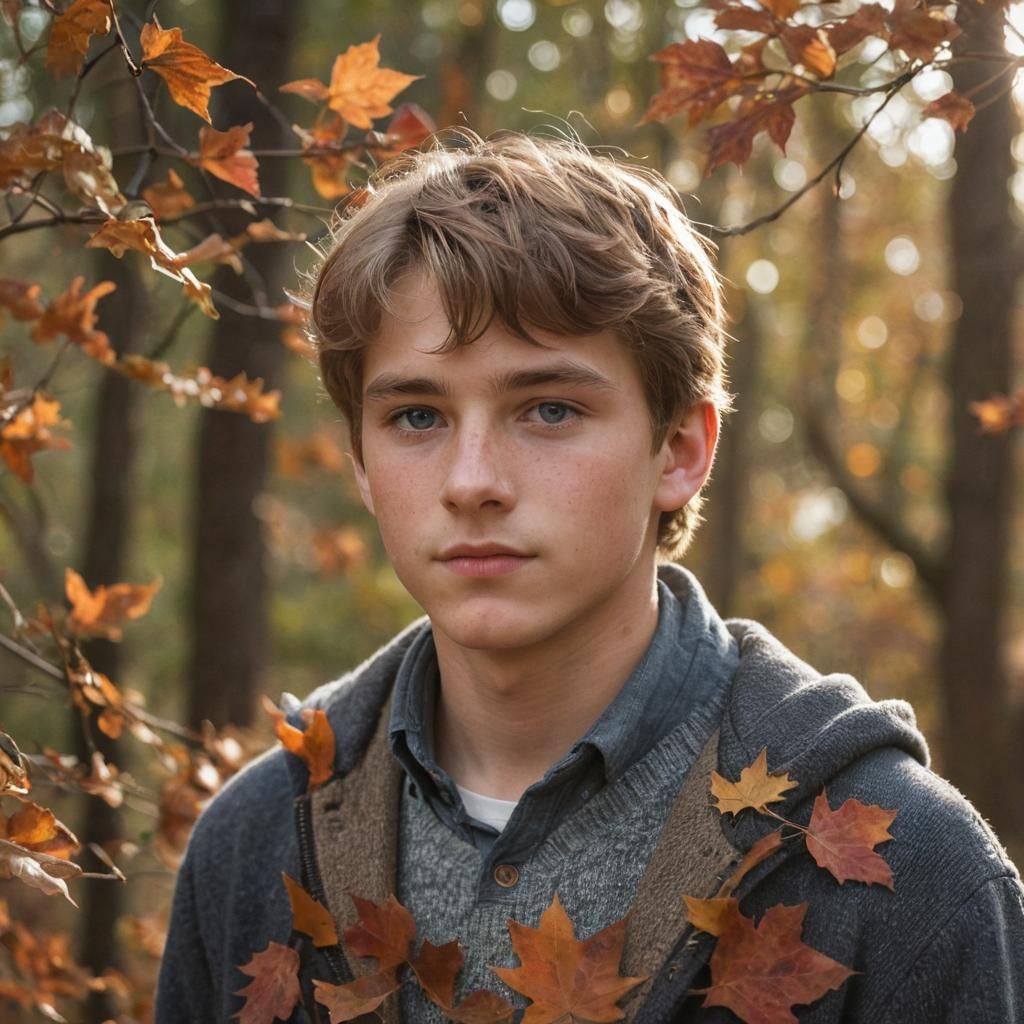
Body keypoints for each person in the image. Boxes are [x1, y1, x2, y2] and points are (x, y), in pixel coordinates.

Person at [156, 131, 1024, 1023]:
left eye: (550, 409)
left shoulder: (914, 874)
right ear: (362, 466)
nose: (472, 482)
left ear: (679, 451)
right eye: (418, 416)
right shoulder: (253, 844)